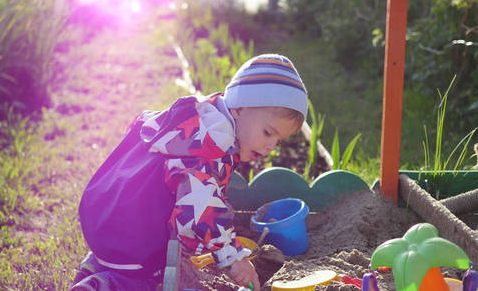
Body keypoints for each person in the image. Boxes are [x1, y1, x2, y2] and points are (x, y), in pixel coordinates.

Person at [69, 53, 308, 291]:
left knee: (122, 254)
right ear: (239, 108)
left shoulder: (201, 115)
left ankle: (97, 263)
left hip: (105, 208)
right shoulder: (211, 147)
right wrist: (233, 257)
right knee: (149, 278)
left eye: (278, 140)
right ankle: (106, 284)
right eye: (268, 132)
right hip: (133, 230)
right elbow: (200, 210)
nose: (271, 146)